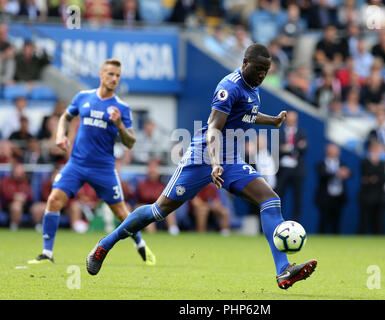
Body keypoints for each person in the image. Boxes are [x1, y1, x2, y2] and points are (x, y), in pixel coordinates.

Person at [86, 44, 317, 290]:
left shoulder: (253, 87)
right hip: (203, 157)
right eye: (259, 69)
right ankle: (105, 245)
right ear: (245, 63)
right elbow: (214, 128)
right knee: (159, 210)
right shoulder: (229, 87)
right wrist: (215, 164)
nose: (262, 74)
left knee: (270, 199)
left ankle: (283, 270)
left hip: (230, 160)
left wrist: (272, 121)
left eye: (266, 70)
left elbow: (247, 113)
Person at [28, 58, 155, 266]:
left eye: (117, 76)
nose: (114, 79)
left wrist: (120, 126)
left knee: (122, 212)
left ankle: (140, 245)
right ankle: (46, 253)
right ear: (101, 75)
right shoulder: (83, 98)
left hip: (103, 168)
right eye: (111, 74)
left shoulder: (121, 108)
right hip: (77, 164)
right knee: (53, 200)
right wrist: (60, 135)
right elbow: (65, 118)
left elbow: (130, 142)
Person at [275, 109, 307, 222]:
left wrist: (287, 148)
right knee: (278, 197)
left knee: (297, 198)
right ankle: (277, 221)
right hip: (282, 170)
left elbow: (304, 148)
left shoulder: (301, 133)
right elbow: (276, 150)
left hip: (297, 170)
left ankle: (296, 223)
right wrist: (295, 149)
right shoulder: (279, 133)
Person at [135, 159, 179, 235]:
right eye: (151, 168)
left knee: (169, 208)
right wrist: (156, 197)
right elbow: (144, 196)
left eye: (155, 168)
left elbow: (167, 198)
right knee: (143, 209)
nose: (153, 170)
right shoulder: (142, 184)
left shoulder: (163, 184)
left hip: (159, 208)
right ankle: (152, 234)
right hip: (147, 207)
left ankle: (173, 231)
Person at [315, 144, 351, 234]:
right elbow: (323, 175)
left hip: (338, 197)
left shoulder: (342, 164)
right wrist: (337, 173)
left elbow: (350, 173)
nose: (336, 152)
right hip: (325, 197)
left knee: (336, 221)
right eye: (333, 150)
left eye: (337, 151)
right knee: (323, 220)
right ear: (327, 152)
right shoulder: (321, 164)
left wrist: (346, 173)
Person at [358, 141, 385, 234]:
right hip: (366, 196)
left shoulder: (382, 163)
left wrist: (374, 179)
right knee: (364, 219)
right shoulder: (365, 162)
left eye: (377, 149)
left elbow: (383, 178)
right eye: (374, 149)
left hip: (379, 196)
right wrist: (373, 179)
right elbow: (366, 178)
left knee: (378, 220)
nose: (375, 151)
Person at [0, 162, 33, 230]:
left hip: (25, 204)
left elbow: (30, 195)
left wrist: (23, 197)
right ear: (13, 171)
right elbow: (5, 194)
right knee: (16, 206)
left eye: (22, 171)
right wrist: (15, 197)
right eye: (19, 170)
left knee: (38, 208)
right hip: (9, 205)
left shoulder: (25, 182)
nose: (20, 173)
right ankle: (15, 226)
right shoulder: (6, 181)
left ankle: (38, 226)